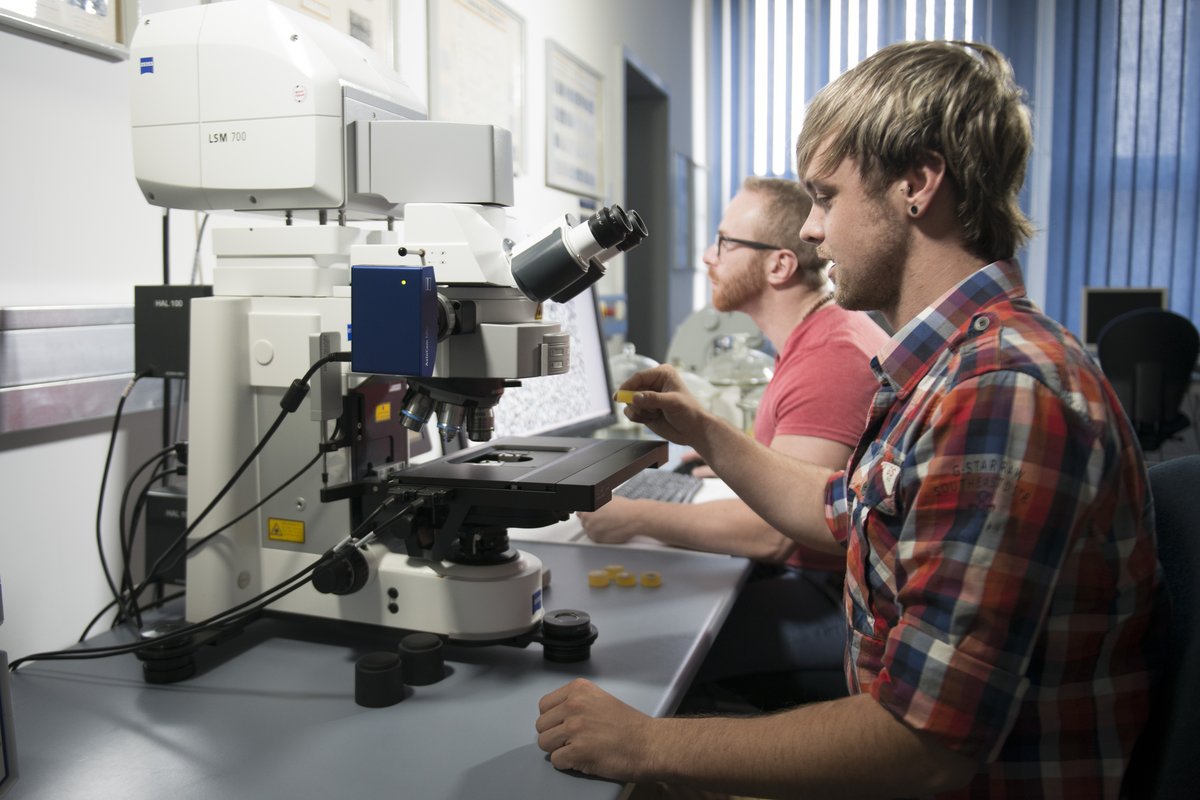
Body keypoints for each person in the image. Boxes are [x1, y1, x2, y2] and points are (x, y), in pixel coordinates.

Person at [535, 39, 1161, 799]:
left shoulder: (1002, 390)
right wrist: (703, 431)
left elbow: (921, 746)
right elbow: (838, 511)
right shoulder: (946, 366)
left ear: (917, 185)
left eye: (827, 197)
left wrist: (643, 744)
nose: (811, 232)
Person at [578, 176, 887, 693]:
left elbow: (772, 533)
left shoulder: (831, 354)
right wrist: (707, 438)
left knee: (641, 645)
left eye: (725, 242)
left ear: (780, 264)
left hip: (836, 597)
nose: (707, 256)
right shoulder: (817, 336)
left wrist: (633, 517)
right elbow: (786, 476)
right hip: (815, 578)